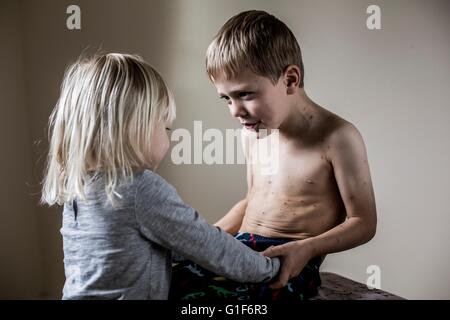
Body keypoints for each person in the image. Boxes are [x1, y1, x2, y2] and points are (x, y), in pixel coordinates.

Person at [170, 10, 377, 301]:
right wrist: (206, 237)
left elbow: (363, 222)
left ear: (290, 79)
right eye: (227, 98)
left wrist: (307, 249)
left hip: (286, 258)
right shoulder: (253, 135)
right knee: (164, 281)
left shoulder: (338, 138)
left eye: (245, 95)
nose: (235, 111)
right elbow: (252, 200)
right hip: (240, 248)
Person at [40, 53, 280, 299]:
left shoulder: (79, 189)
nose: (168, 139)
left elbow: (160, 245)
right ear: (136, 125)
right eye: (165, 127)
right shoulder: (140, 189)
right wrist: (271, 268)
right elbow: (209, 247)